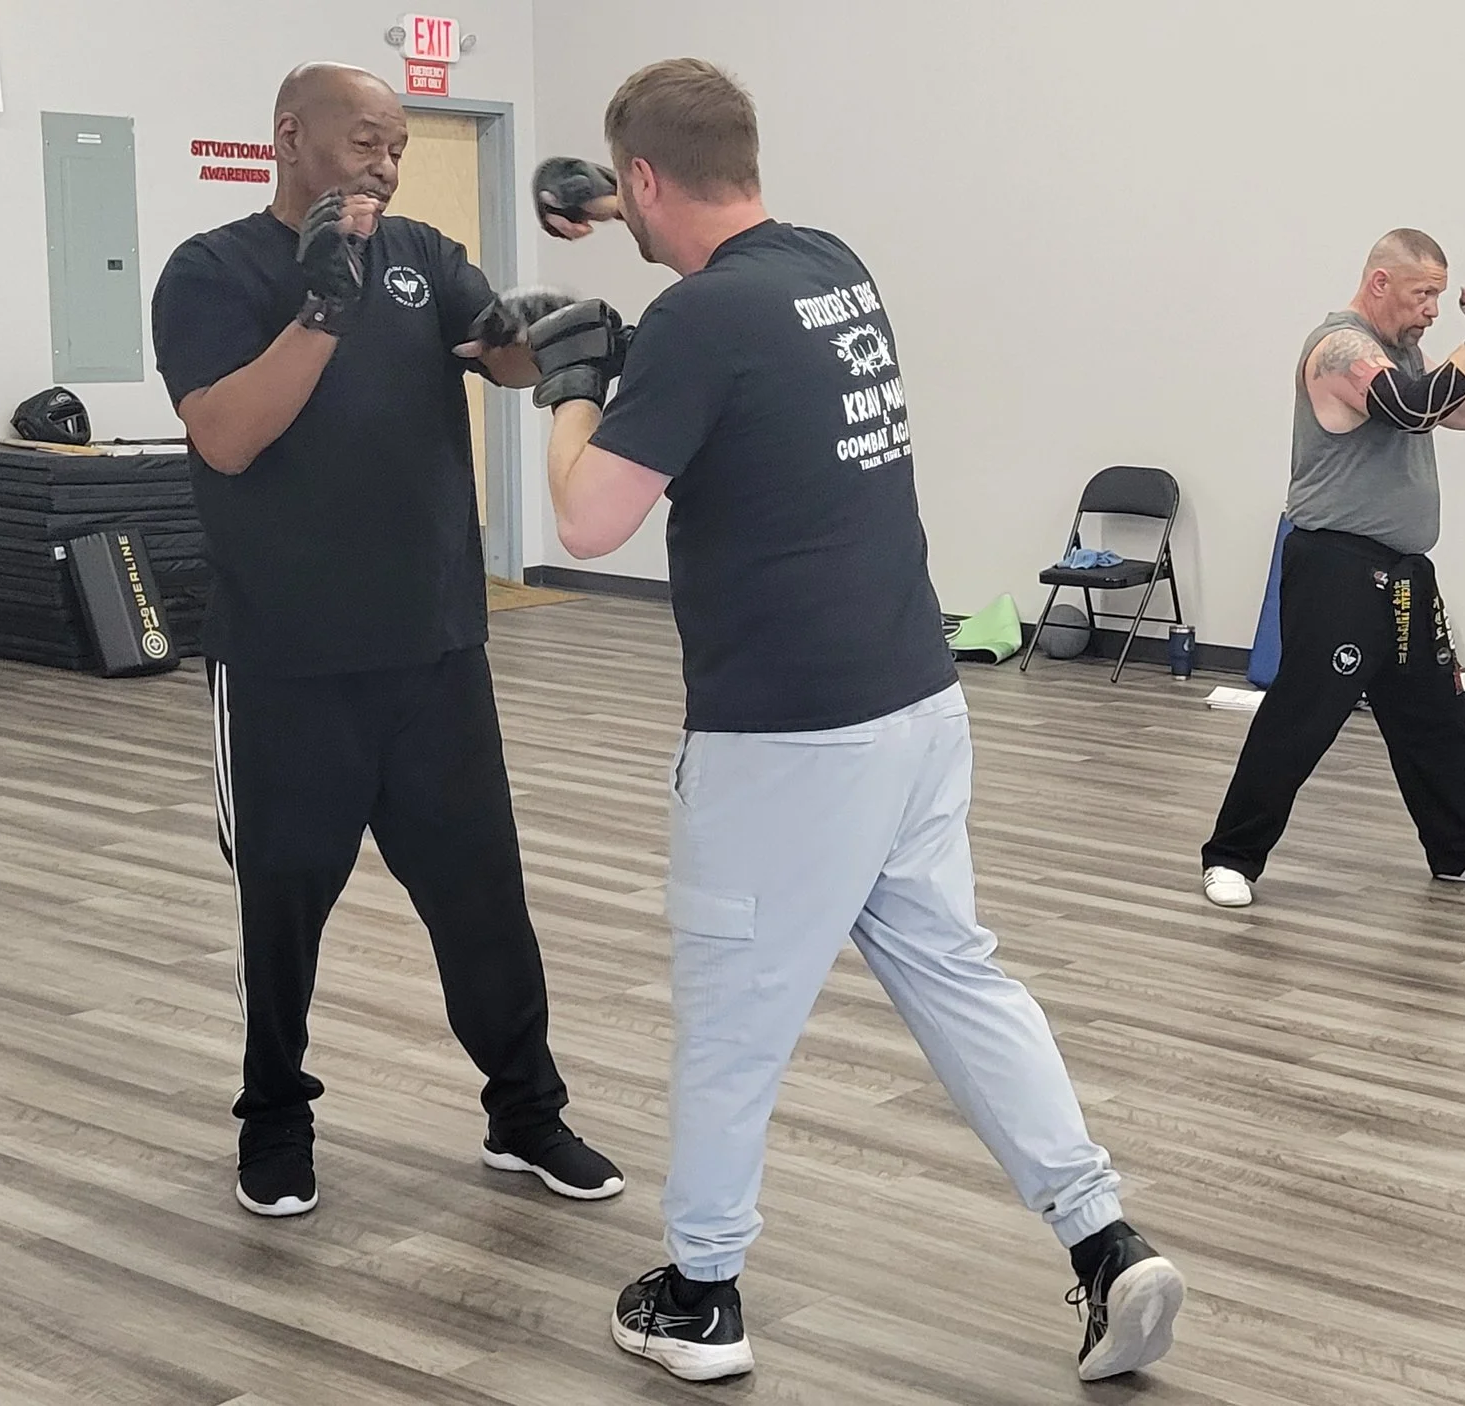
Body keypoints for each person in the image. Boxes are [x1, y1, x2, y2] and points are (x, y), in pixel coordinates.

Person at [527, 59, 1185, 1384]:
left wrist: (574, 383)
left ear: (648, 180)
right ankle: (1104, 1239)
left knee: (730, 1016)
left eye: (631, 197)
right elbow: (704, 237)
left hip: (787, 741)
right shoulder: (832, 266)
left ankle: (701, 1292)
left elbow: (588, 517)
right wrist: (614, 207)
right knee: (960, 978)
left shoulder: (701, 325)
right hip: (916, 703)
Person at [147, 64, 624, 1218]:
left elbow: (497, 358)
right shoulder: (211, 271)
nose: (386, 162)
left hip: (435, 650)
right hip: (285, 663)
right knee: (283, 907)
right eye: (366, 140)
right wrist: (322, 308)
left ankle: (525, 1112)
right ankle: (274, 1118)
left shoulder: (420, 250)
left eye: (398, 144)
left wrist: (540, 334)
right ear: (290, 139)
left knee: (483, 901)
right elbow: (226, 439)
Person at [1198, 231, 1465, 909]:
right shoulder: (1341, 349)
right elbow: (1413, 407)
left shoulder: (1406, 351)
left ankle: (1460, 854)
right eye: (1423, 296)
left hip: (1405, 571)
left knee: (1436, 718)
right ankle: (1231, 857)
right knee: (1304, 715)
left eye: (1442, 299)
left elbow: (1464, 412)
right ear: (1380, 283)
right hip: (1337, 564)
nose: (1433, 313)